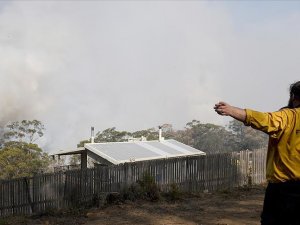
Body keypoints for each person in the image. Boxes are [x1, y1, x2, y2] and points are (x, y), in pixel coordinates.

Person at [214, 81, 300, 225]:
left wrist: (231, 110)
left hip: (286, 191)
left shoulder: (288, 116)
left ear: (294, 97)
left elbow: (263, 119)